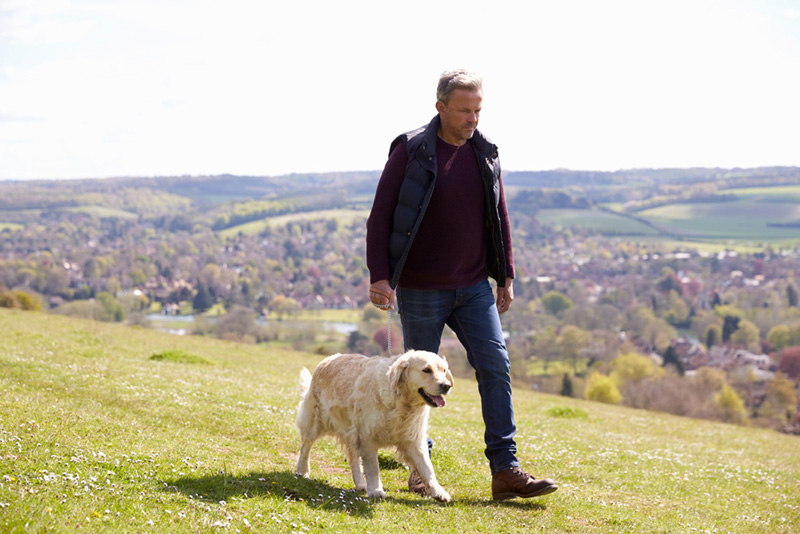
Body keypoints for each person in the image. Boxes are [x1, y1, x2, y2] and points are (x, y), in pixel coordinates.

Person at [365, 69, 557, 501]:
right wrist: (379, 275)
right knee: (418, 383)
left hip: (473, 287)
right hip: (419, 289)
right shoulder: (411, 150)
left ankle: (506, 471)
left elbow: (499, 215)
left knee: (496, 366)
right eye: (464, 110)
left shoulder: (485, 152)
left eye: (478, 110)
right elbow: (380, 215)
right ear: (441, 108)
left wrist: (504, 274)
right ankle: (419, 470)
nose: (473, 119)